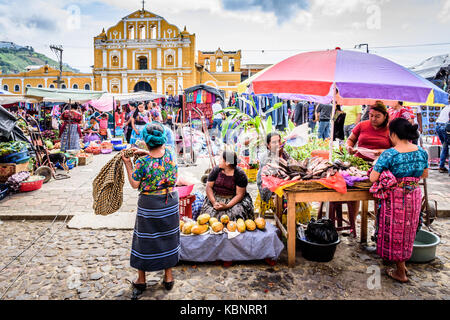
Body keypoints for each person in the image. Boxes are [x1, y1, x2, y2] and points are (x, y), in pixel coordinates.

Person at [121, 122, 179, 300]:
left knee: (144, 240)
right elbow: (160, 161)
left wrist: (128, 164)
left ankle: (141, 279)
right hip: (169, 202)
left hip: (150, 205)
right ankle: (168, 277)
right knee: (168, 237)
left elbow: (135, 184)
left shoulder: (143, 162)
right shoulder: (170, 153)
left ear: (146, 142)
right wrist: (146, 154)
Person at [370, 118, 429, 283]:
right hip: (414, 195)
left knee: (396, 231)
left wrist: (382, 171)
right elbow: (424, 175)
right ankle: (402, 264)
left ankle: (400, 272)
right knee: (408, 230)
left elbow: (372, 177)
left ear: (393, 134)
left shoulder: (390, 153)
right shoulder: (422, 151)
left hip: (397, 198)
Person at [343, 101, 392, 236]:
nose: (373, 119)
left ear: (385, 116)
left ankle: (378, 227)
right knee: (354, 195)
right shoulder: (362, 125)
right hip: (359, 165)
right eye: (371, 115)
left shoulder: (390, 129)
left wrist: (382, 151)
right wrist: (349, 147)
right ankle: (352, 223)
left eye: (377, 116)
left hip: (380, 167)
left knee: (379, 196)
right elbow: (351, 140)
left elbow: (395, 148)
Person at [200, 150, 254, 220]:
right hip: (216, 198)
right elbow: (209, 187)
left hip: (233, 200)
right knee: (209, 215)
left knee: (236, 214)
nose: (218, 160)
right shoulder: (216, 170)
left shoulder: (240, 174)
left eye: (220, 159)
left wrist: (227, 206)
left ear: (227, 163)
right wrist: (213, 202)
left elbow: (240, 195)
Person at [257, 132, 292, 204]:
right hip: (269, 185)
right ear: (268, 145)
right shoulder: (265, 156)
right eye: (274, 142)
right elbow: (268, 174)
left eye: (279, 141)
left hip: (285, 183)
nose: (277, 144)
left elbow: (291, 167)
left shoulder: (284, 153)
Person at [436, 103, 450, 173]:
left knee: (445, 147)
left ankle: (441, 166)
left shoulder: (446, 107)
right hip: (446, 127)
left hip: (439, 126)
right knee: (447, 147)